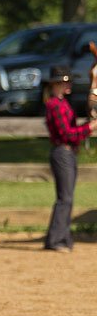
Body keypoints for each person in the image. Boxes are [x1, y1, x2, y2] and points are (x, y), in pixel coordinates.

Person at [43, 65, 97, 252]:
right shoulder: (54, 105)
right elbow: (66, 134)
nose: (69, 85)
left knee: (68, 197)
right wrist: (88, 129)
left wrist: (88, 123)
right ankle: (56, 239)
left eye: (69, 81)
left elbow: (71, 129)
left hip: (69, 152)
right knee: (64, 198)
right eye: (65, 81)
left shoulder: (63, 103)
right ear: (56, 84)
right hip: (62, 152)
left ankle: (63, 237)